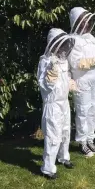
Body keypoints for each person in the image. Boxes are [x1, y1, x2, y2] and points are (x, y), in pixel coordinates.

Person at [68, 7, 95, 157]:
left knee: (93, 110)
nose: (86, 24)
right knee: (83, 111)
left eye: (87, 21)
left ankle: (91, 139)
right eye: (82, 21)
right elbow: (76, 63)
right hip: (81, 81)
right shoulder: (72, 40)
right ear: (76, 22)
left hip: (94, 79)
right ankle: (82, 143)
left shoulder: (92, 39)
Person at [37, 28, 77, 180]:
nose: (62, 48)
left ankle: (64, 157)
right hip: (52, 105)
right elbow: (45, 86)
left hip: (64, 103)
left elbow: (66, 77)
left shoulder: (63, 60)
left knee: (66, 131)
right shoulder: (45, 62)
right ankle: (47, 168)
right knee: (53, 136)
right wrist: (51, 75)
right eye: (59, 45)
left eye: (64, 44)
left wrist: (71, 83)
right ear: (53, 44)